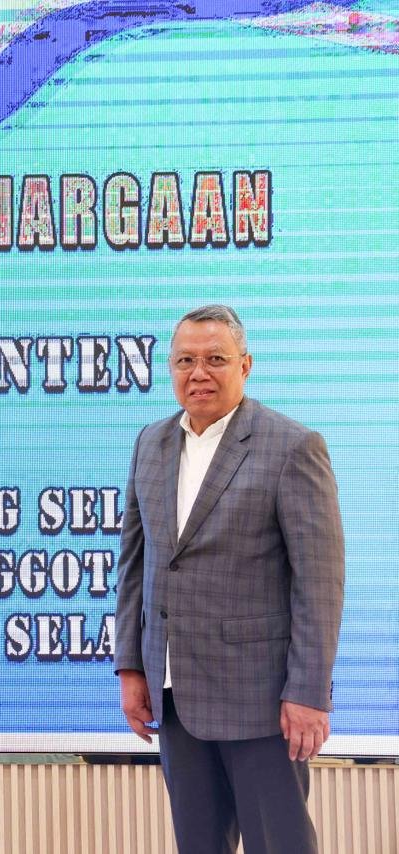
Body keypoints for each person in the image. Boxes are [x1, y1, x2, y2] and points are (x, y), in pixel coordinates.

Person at [114, 304, 345, 854]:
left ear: (245, 365)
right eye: (185, 361)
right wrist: (131, 667)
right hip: (175, 696)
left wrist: (309, 692)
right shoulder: (150, 443)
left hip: (262, 701)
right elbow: (135, 565)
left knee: (280, 844)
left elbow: (319, 582)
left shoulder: (292, 447)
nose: (199, 373)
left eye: (215, 359)